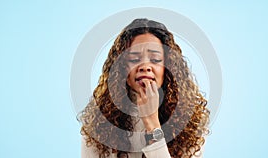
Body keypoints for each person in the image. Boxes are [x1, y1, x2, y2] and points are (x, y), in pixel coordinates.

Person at [79, 18, 210, 158]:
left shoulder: (190, 122)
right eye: (135, 60)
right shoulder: (98, 120)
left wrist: (152, 123)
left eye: (155, 60)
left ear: (168, 68)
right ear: (122, 68)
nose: (145, 67)